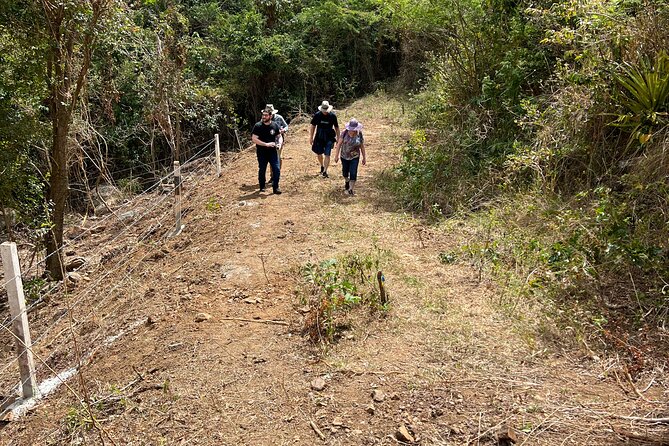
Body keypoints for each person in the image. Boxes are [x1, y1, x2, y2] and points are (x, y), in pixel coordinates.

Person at [251, 107, 282, 194]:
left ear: (270, 116)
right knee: (262, 169)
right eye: (263, 115)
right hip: (262, 152)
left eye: (266, 115)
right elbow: (254, 139)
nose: (264, 117)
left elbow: (279, 136)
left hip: (272, 152)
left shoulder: (274, 125)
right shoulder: (258, 126)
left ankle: (275, 187)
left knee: (276, 169)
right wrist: (266, 144)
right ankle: (262, 186)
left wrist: (279, 143)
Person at [333, 118, 366, 195]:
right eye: (351, 129)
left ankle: (351, 189)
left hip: (355, 156)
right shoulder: (344, 133)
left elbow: (362, 146)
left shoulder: (359, 134)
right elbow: (339, 145)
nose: (352, 131)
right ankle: (347, 181)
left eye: (354, 129)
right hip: (344, 156)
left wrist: (364, 157)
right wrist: (336, 155)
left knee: (353, 172)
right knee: (345, 172)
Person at [309, 100, 339, 178]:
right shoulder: (317, 115)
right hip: (319, 136)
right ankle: (322, 166)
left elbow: (336, 127)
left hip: (329, 136)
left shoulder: (332, 116)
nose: (325, 112)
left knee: (327, 154)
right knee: (319, 153)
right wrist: (311, 137)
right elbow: (313, 126)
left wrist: (338, 139)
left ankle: (325, 171)